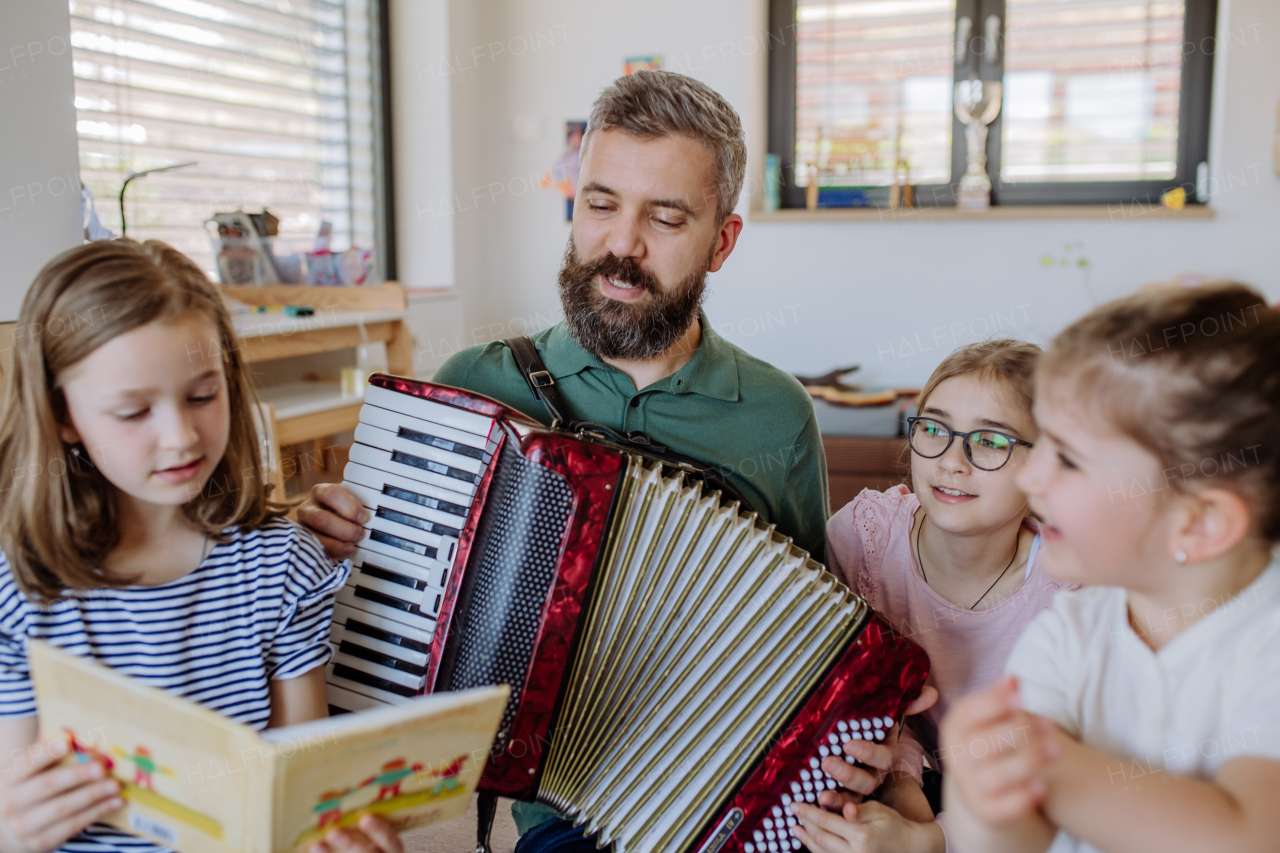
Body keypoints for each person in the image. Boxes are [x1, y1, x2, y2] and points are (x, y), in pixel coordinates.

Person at [295, 70, 904, 852]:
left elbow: (814, 646)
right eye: (601, 203)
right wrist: (333, 554)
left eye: (666, 217)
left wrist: (867, 749)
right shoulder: (474, 387)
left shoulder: (777, 414)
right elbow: (381, 623)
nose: (622, 245)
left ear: (722, 240)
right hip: (564, 815)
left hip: (715, 799)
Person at [0, 240, 401, 853]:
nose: (181, 437)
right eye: (133, 411)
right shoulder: (22, 588)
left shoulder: (281, 566)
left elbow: (299, 788)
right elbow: (20, 793)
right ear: (63, 416)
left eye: (201, 395)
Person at [940, 283, 1280, 853]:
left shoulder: (1264, 646)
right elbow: (1012, 843)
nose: (1029, 477)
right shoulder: (1068, 629)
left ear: (1198, 524)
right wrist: (983, 796)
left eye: (1068, 458)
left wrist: (1047, 766)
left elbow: (1250, 832)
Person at [790, 340, 1076, 853]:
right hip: (880, 774)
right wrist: (904, 786)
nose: (950, 460)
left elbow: (1065, 781)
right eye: (935, 429)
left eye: (990, 440)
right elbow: (848, 695)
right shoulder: (864, 536)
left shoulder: (1071, 589)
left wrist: (933, 837)